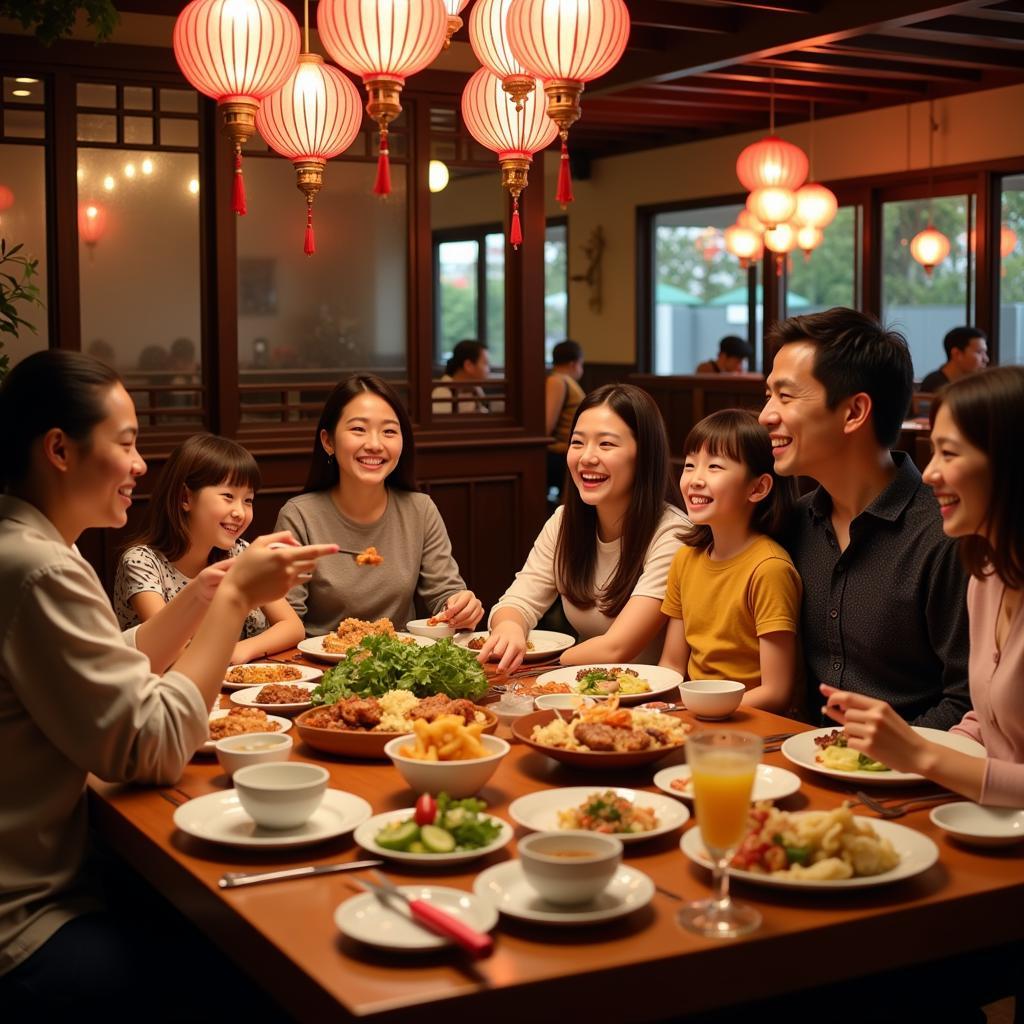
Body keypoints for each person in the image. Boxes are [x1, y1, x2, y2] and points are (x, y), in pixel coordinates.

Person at [0, 351, 335, 1013]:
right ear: (60, 449)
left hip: (59, 877)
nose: (140, 465)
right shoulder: (38, 569)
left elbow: (104, 664)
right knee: (260, 963)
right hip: (28, 919)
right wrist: (233, 600)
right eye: (126, 443)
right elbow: (151, 748)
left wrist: (201, 594)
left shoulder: (32, 546)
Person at [822, 366, 1024, 806]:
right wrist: (905, 753)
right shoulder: (987, 576)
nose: (929, 474)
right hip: (981, 823)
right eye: (932, 453)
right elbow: (988, 720)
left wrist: (922, 755)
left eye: (949, 454)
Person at [760, 307, 970, 728]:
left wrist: (874, 757)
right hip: (799, 760)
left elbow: (967, 704)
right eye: (768, 395)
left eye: (785, 396)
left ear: (854, 412)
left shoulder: (945, 534)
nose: (766, 415)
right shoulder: (793, 521)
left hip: (914, 779)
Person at [479, 383, 687, 672]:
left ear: (644, 455)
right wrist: (511, 628)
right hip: (582, 690)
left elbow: (618, 647)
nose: (586, 457)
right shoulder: (565, 521)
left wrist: (551, 663)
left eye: (606, 444)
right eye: (577, 442)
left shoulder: (673, 534)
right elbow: (516, 601)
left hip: (650, 701)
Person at [276, 374, 484, 635]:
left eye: (389, 431)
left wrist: (459, 606)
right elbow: (286, 617)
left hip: (398, 665)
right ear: (328, 441)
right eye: (358, 429)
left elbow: (445, 592)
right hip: (320, 666)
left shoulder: (420, 510)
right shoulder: (300, 516)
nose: (374, 445)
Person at [114, 434, 304, 665]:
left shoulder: (241, 554)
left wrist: (239, 651)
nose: (240, 512)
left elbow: (293, 627)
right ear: (185, 497)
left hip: (235, 685)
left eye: (248, 500)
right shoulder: (141, 562)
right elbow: (174, 652)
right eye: (228, 496)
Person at [659, 409, 801, 713]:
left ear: (758, 487)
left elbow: (776, 692)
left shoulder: (769, 568)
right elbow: (671, 664)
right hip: (693, 714)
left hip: (751, 723)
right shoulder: (685, 558)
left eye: (714, 466)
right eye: (689, 465)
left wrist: (696, 708)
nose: (695, 479)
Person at [545, 339, 586, 499]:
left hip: (567, 452)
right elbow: (547, 425)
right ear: (574, 364)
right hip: (559, 454)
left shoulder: (561, 380)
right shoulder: (558, 381)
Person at [919, 326, 989, 393]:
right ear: (957, 354)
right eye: (979, 352)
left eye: (985, 352)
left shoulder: (974, 384)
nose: (986, 359)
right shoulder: (935, 385)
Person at [431, 339, 491, 414]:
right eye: (485, 363)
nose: (488, 369)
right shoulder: (443, 393)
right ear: (468, 365)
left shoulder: (476, 388)